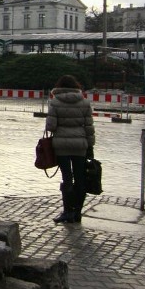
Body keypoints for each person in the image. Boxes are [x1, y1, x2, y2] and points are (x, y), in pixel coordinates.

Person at [45, 74, 95, 223]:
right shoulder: (85, 103)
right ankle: (77, 212)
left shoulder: (55, 102)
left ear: (59, 87)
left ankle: (67, 212)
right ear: (76, 86)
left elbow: (51, 126)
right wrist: (90, 146)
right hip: (80, 145)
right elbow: (89, 128)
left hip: (61, 146)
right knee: (80, 179)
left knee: (67, 178)